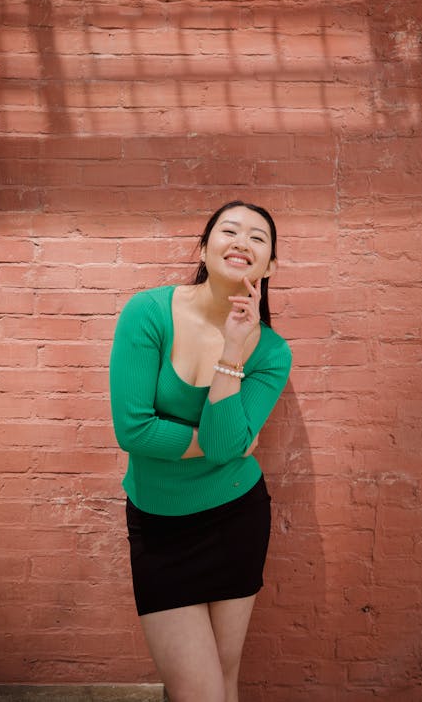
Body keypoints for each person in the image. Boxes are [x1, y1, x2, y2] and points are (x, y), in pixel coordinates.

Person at [109, 200, 292, 702]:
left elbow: (224, 444)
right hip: (158, 526)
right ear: (205, 249)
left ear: (270, 266)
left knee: (225, 684)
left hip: (235, 520)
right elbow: (134, 431)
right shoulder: (148, 314)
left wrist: (233, 350)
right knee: (199, 692)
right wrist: (222, 445)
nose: (242, 242)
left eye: (258, 238)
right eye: (229, 231)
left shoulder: (271, 352)